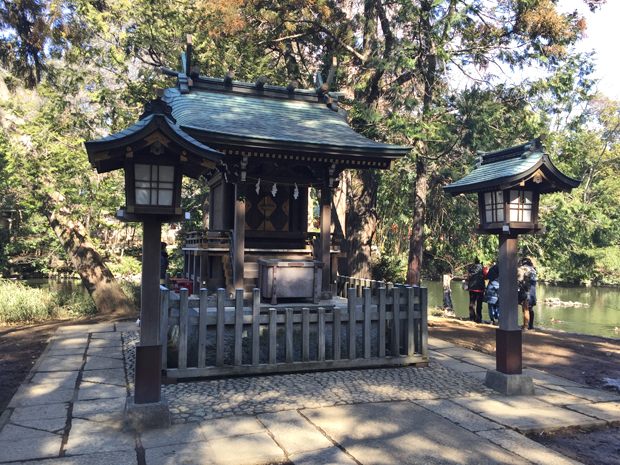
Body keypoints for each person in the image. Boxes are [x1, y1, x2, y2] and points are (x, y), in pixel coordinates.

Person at [517, 257, 537, 330]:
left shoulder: (521, 269)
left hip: (521, 289)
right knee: (529, 308)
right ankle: (529, 325)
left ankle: (514, 324)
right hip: (531, 289)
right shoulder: (533, 270)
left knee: (517, 307)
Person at [467, 258, 487, 323]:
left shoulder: (470, 267)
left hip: (471, 287)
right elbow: (486, 276)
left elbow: (468, 277)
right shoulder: (483, 268)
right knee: (479, 304)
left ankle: (472, 318)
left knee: (472, 303)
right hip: (480, 288)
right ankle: (478, 319)